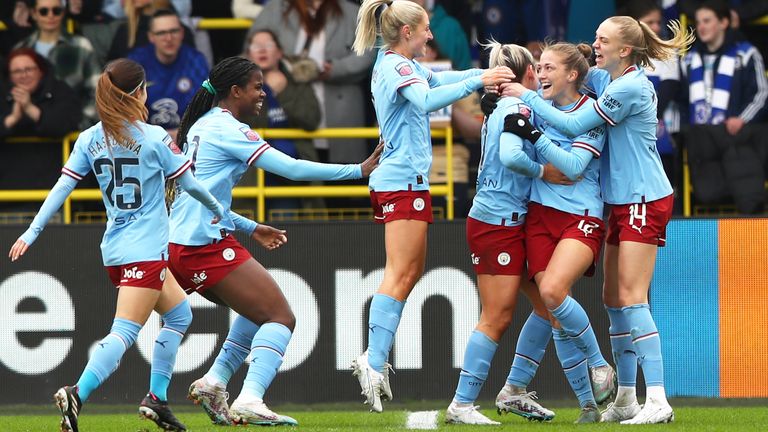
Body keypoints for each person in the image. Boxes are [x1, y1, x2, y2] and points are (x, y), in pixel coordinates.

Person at [7, 58, 229, 432]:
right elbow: (189, 184)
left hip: (115, 247)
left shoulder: (89, 138)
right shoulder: (155, 137)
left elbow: (62, 188)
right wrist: (217, 209)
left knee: (179, 315)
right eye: (145, 89)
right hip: (146, 251)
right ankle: (78, 391)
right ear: (138, 92)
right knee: (124, 332)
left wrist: (32, 232)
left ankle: (156, 400)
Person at [165, 55, 382, 426]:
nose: (263, 94)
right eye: (257, 87)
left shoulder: (202, 125)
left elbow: (203, 200)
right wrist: (358, 170)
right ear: (235, 92)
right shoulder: (229, 130)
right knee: (281, 316)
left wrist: (251, 228)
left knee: (256, 314)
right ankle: (250, 397)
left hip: (183, 245)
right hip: (201, 246)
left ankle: (214, 381)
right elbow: (292, 169)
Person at [500, 15, 694, 425]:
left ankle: (657, 399)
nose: (596, 44)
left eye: (603, 40)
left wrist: (527, 95)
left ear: (625, 50)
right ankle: (625, 398)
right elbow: (580, 86)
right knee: (611, 300)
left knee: (631, 295)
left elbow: (572, 123)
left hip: (643, 196)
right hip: (620, 202)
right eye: (596, 38)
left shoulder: (630, 87)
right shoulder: (609, 80)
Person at [349, 0, 515, 413]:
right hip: (401, 181)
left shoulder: (401, 63)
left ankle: (375, 357)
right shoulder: (395, 67)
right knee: (401, 271)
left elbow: (444, 78)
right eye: (425, 29)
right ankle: (372, 359)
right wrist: (482, 80)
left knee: (410, 271)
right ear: (407, 32)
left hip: (409, 180)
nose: (430, 35)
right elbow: (427, 100)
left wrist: (480, 76)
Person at [493, 42, 613, 425]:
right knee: (556, 314)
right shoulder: (534, 109)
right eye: (538, 68)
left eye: (548, 68)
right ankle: (589, 407)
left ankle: (599, 365)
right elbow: (513, 134)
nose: (540, 74)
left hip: (581, 215)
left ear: (572, 75)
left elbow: (575, 166)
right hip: (540, 216)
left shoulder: (590, 112)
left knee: (552, 293)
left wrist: (534, 135)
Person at [443, 41, 543, 425]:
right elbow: (511, 157)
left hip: (506, 221)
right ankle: (462, 403)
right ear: (528, 74)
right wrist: (545, 171)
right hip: (496, 223)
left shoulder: (503, 108)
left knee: (549, 308)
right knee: (496, 317)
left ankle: (514, 391)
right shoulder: (516, 108)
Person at [249, 0, 376, 163]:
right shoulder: (276, 9)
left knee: (342, 179)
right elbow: (250, 50)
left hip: (339, 111)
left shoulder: (353, 12)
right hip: (286, 115)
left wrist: (334, 69)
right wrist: (272, 74)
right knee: (292, 175)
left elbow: (368, 54)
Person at [680, 0, 768, 214]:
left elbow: (762, 94)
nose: (701, 27)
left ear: (724, 22)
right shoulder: (689, 60)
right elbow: (682, 101)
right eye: (698, 22)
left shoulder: (746, 54)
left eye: (707, 21)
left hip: (737, 134)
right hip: (703, 139)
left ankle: (752, 211)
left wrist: (742, 119)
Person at [241, 28, 323, 212]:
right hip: (253, 171)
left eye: (268, 45)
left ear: (279, 52)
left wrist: (282, 93)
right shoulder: (239, 88)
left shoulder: (297, 80)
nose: (262, 50)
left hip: (289, 174)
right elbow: (246, 124)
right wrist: (266, 92)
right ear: (248, 54)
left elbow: (311, 120)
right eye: (256, 46)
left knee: (286, 226)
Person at [14, 0, 101, 129]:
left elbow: (97, 91)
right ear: (33, 14)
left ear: (63, 12)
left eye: (56, 11)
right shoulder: (21, 49)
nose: (51, 16)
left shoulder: (81, 46)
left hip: (74, 133)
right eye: (43, 11)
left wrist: (82, 123)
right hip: (28, 134)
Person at [128, 9, 209, 141]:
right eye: (161, 33)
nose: (169, 38)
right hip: (145, 141)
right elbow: (126, 112)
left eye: (174, 31)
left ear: (182, 33)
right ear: (151, 37)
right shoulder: (135, 63)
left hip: (188, 139)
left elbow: (205, 108)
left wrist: (182, 134)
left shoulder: (196, 61)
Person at [1, 47, 80, 137]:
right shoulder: (2, 93)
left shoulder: (61, 90)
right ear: (9, 76)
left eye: (29, 69)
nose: (23, 75)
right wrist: (12, 119)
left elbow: (67, 125)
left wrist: (30, 108)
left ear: (40, 71)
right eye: (17, 71)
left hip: (54, 150)